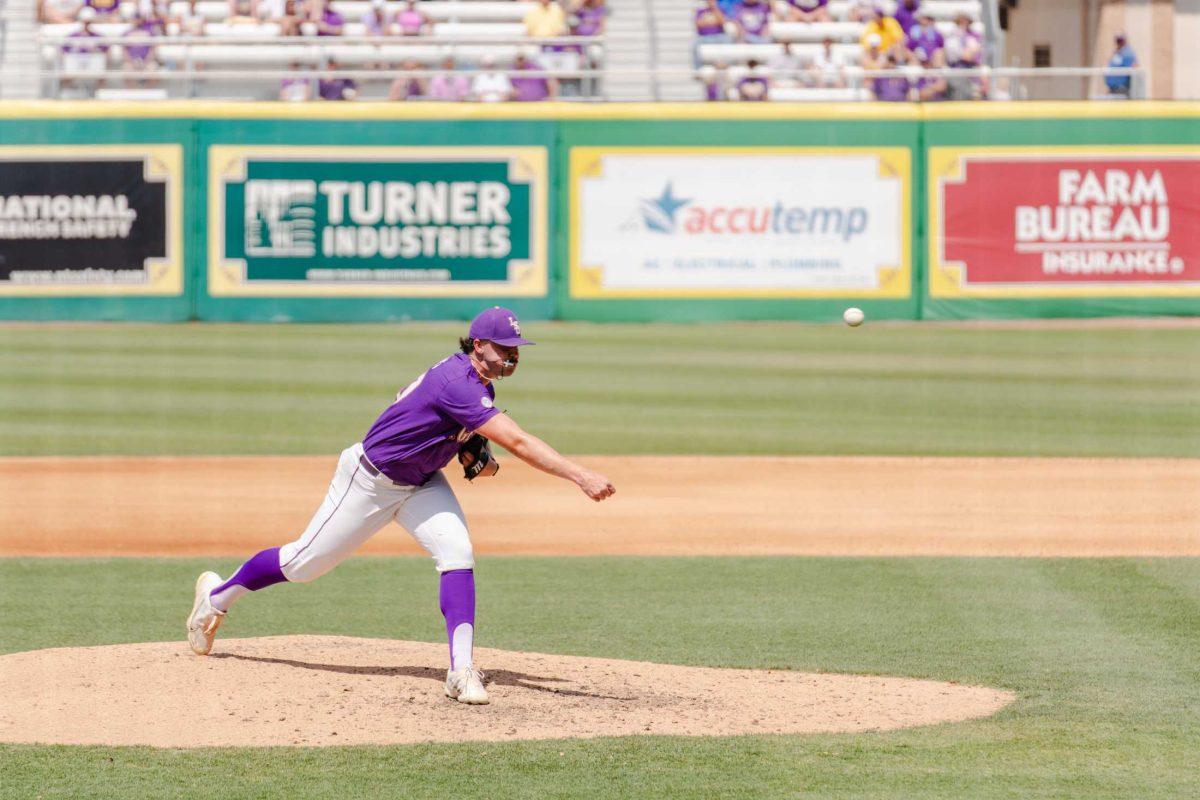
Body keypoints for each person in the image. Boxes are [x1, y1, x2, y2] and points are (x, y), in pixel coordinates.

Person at [186, 308, 616, 706]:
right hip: (369, 482)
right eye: (504, 348)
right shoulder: (458, 383)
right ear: (479, 344)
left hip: (422, 482)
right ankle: (217, 596)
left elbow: (414, 404)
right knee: (304, 564)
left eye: (516, 350)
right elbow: (518, 442)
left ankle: (461, 671)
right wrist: (581, 475)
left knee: (458, 553)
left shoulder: (471, 380)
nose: (511, 357)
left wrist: (461, 446)